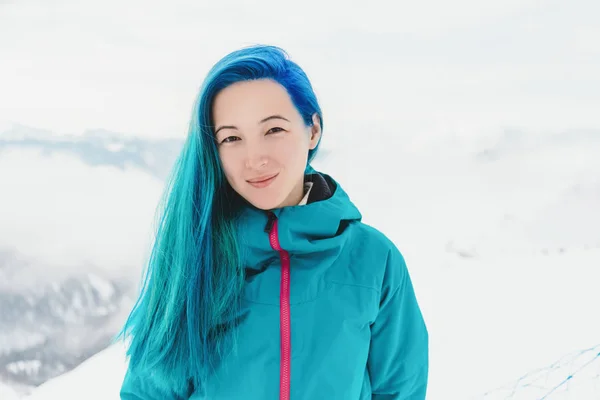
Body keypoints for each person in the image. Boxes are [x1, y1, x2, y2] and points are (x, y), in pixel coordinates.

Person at [118, 44, 428, 399]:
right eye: (232, 138)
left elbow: (400, 391)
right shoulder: (195, 256)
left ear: (312, 129)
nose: (255, 158)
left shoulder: (374, 259)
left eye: (274, 130)